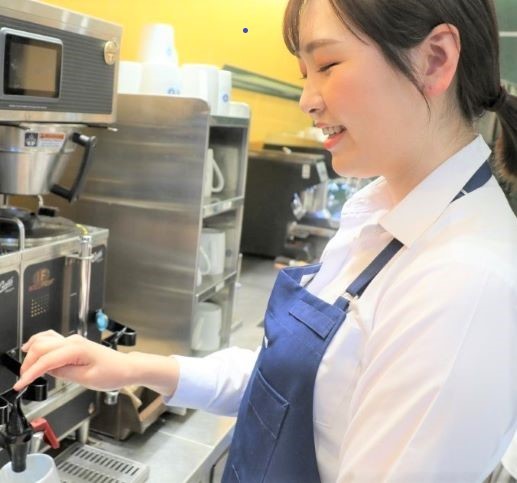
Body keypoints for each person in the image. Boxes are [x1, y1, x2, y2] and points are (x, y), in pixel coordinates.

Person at [13, 0, 517, 481]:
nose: (307, 99)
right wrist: (127, 367)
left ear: (434, 60)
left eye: (328, 64)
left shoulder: (466, 285)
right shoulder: (383, 215)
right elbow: (289, 385)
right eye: (304, 74)